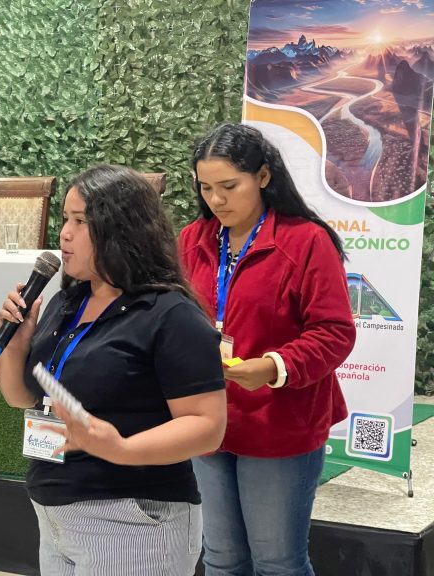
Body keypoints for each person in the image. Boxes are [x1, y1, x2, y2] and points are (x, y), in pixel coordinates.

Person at [0, 164, 227, 576]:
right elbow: (21, 397)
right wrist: (16, 344)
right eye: (65, 219)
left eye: (80, 221)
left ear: (122, 229)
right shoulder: (67, 303)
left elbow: (207, 426)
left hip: (133, 520)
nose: (65, 234)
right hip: (56, 515)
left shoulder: (169, 314)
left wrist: (120, 448)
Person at [178, 123, 356, 576]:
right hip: (209, 420)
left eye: (229, 187)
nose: (216, 200)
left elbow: (334, 331)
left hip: (280, 423)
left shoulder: (305, 241)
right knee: (221, 559)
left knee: (278, 563)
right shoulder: (192, 240)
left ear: (262, 176)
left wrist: (275, 366)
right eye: (205, 188)